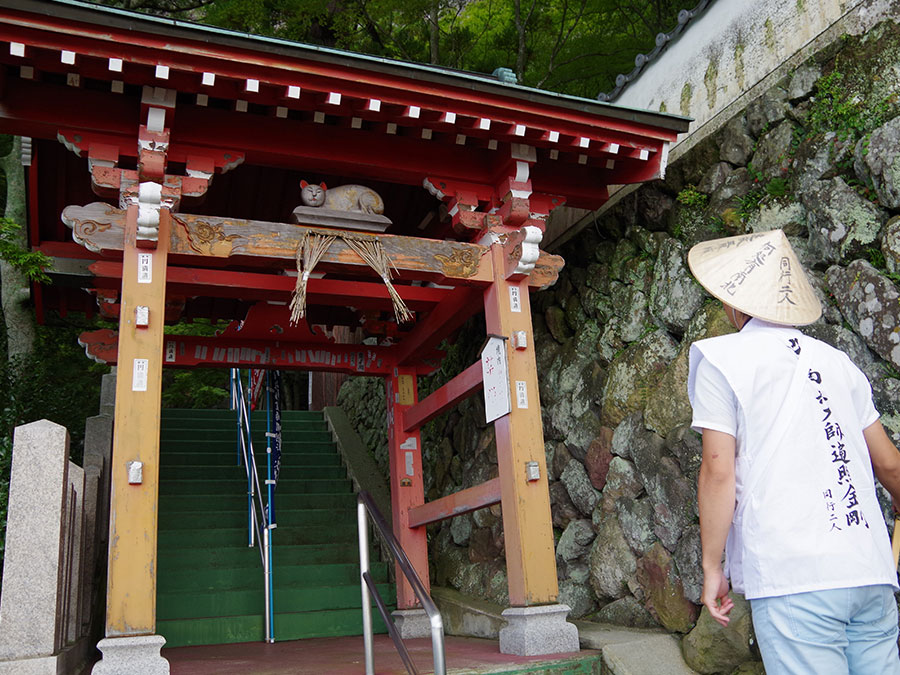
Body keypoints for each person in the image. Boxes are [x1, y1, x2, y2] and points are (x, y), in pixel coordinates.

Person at [686, 229, 900, 674]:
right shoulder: (839, 363)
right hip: (870, 571)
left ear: (735, 304)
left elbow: (718, 469)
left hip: (795, 578)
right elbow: (890, 464)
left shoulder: (721, 361)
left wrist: (712, 564)